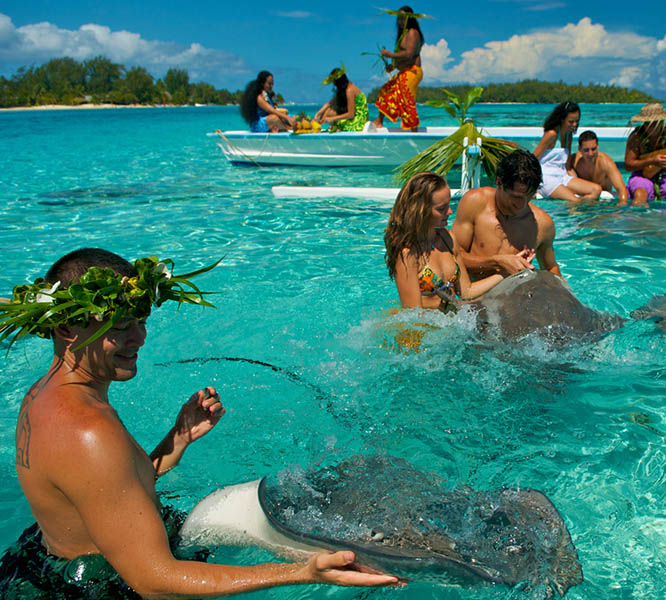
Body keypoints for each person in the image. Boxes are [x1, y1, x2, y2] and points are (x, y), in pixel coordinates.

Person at [0, 249, 398, 598]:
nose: (139, 337)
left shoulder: (45, 396)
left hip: (46, 563)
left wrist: (176, 441)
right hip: (102, 587)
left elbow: (103, 491)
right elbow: (155, 582)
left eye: (140, 320)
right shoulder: (88, 431)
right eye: (119, 327)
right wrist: (301, 572)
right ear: (65, 328)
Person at [385, 172, 504, 311]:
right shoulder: (408, 254)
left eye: (449, 204)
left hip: (450, 324)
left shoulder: (448, 239)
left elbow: (466, 291)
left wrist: (506, 273)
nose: (450, 211)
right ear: (420, 211)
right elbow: (412, 314)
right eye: (441, 209)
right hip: (424, 330)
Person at [451, 150, 560, 282]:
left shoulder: (543, 224)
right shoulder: (475, 203)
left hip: (515, 297)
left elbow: (550, 269)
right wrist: (497, 262)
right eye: (516, 197)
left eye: (529, 196)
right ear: (499, 182)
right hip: (474, 295)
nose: (522, 204)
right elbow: (452, 257)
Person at [532, 101, 603, 202]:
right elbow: (533, 159)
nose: (574, 125)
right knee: (575, 200)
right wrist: (531, 185)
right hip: (546, 179)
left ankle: (580, 211)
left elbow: (568, 166)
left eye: (576, 121)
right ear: (562, 119)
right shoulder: (552, 134)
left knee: (596, 190)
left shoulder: (568, 135)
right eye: (571, 121)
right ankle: (576, 212)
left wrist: (576, 181)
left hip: (562, 176)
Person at [371, 6, 424, 131]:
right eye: (399, 18)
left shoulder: (412, 32)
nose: (400, 21)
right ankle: (379, 121)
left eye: (403, 18)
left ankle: (414, 131)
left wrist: (390, 54)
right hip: (404, 70)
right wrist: (393, 66)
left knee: (406, 100)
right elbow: (404, 57)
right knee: (386, 91)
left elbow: (408, 54)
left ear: (410, 19)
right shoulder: (404, 34)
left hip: (413, 71)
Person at [569, 130, 628, 205]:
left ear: (598, 147)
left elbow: (622, 189)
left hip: (604, 204)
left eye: (593, 149)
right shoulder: (574, 161)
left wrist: (622, 206)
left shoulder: (605, 162)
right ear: (579, 149)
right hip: (586, 201)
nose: (590, 154)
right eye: (586, 150)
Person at [314, 66, 368, 132]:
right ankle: (319, 128)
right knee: (327, 112)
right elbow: (329, 104)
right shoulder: (343, 90)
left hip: (358, 121)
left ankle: (336, 128)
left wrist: (332, 118)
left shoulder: (349, 90)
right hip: (352, 116)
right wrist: (318, 115)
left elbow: (351, 114)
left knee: (330, 115)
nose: (334, 85)